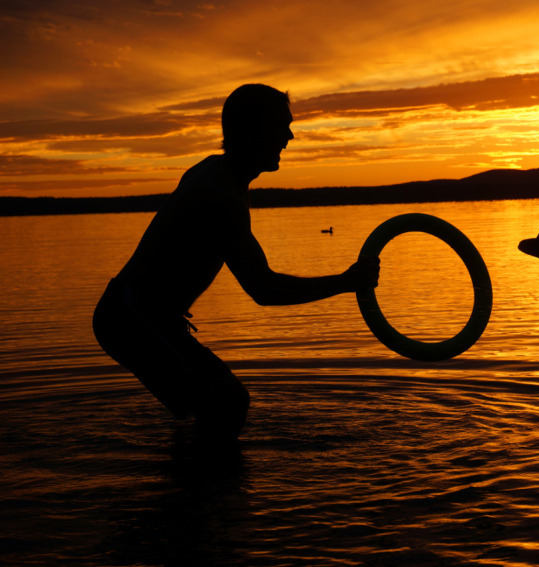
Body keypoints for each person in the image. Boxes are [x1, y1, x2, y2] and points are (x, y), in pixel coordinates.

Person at [93, 84, 380, 440]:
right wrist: (344, 281)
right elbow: (264, 288)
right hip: (132, 316)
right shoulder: (220, 193)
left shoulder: (220, 175)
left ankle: (194, 485)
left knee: (216, 406)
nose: (289, 136)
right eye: (281, 126)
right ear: (251, 130)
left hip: (140, 315)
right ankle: (204, 488)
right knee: (227, 402)